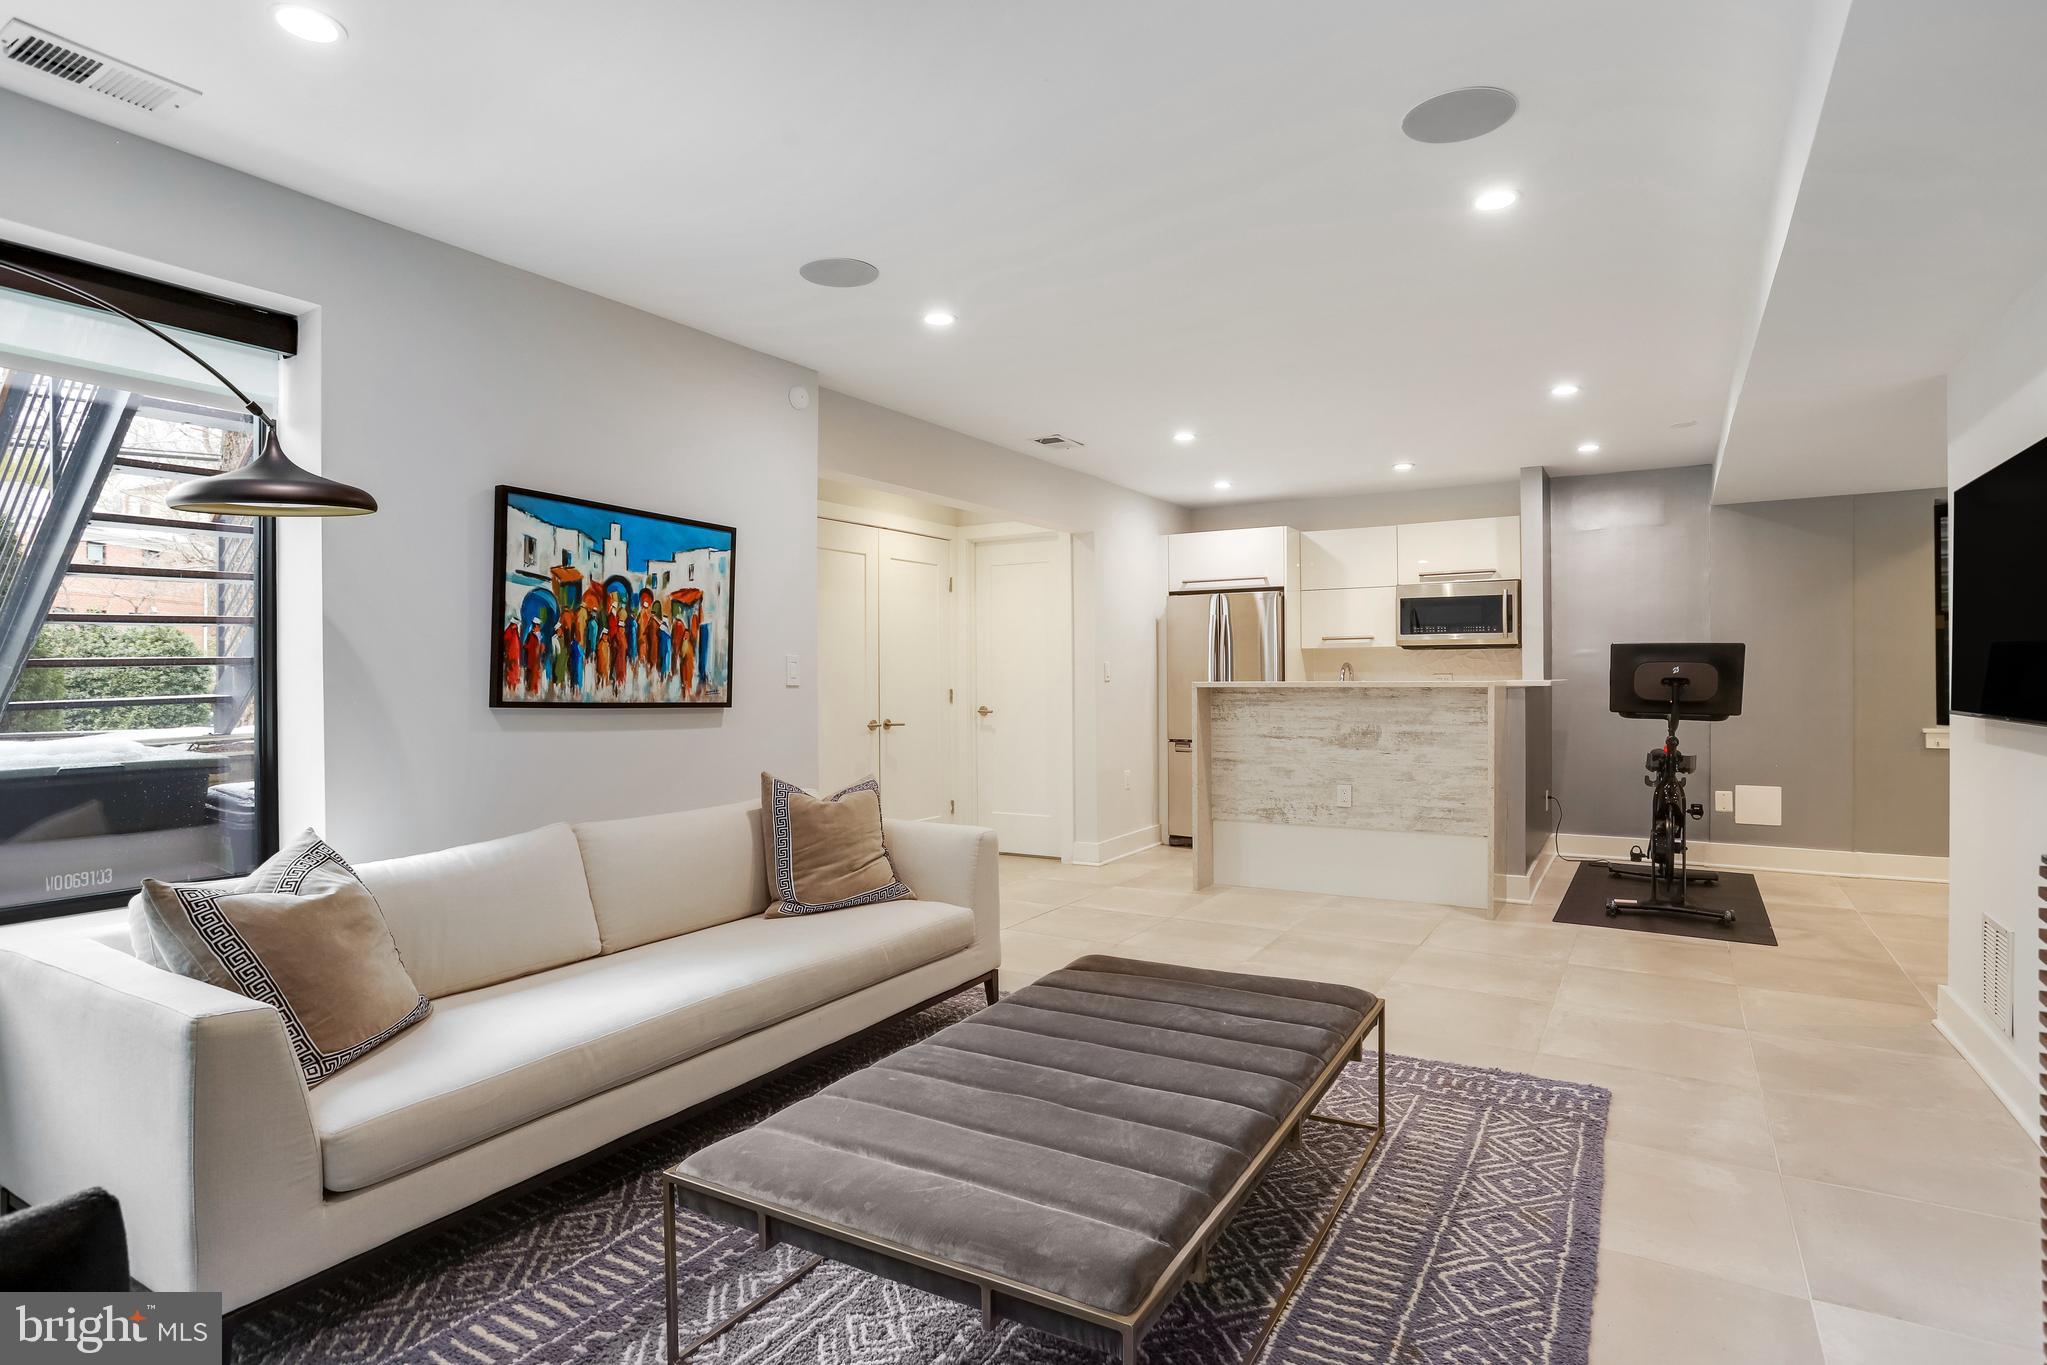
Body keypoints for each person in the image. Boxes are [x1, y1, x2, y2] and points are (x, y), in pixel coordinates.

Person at [502, 615, 522, 696]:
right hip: (510, 656)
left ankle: (514, 686)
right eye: (516, 625)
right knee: (510, 672)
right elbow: (506, 643)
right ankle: (510, 687)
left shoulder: (515, 631)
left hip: (515, 656)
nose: (517, 626)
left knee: (515, 671)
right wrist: (507, 653)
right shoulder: (508, 631)